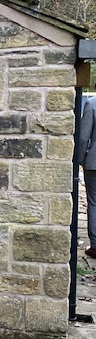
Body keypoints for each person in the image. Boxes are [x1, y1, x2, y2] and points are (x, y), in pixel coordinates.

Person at [78, 96, 96, 259]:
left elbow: (83, 137)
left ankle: (95, 246)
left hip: (94, 162)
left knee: (93, 202)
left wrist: (80, 159)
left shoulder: (92, 103)